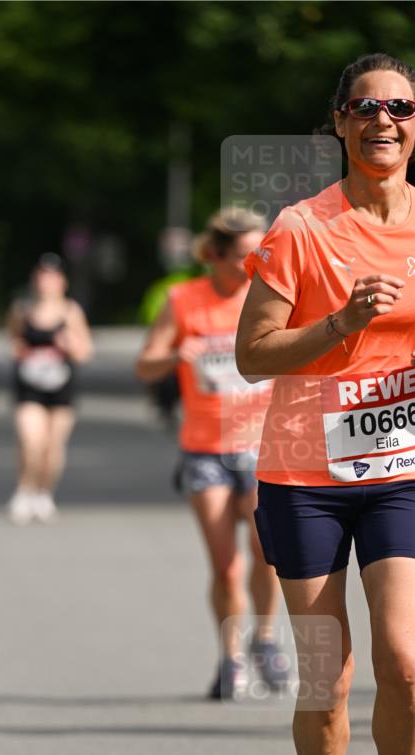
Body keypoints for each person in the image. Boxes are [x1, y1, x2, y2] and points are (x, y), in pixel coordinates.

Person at [236, 53, 415, 755]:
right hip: (302, 476)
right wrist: (341, 322)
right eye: (364, 107)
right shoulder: (301, 228)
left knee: (407, 662)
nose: (383, 120)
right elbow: (252, 355)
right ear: (339, 125)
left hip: (400, 475)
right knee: (326, 679)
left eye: (400, 106)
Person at [136, 209, 283, 700]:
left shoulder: (271, 296)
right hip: (206, 450)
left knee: (267, 553)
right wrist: (176, 355)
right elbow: (145, 365)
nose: (256, 263)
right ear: (216, 256)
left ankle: (264, 640)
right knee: (225, 567)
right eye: (246, 256)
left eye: (261, 253)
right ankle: (231, 656)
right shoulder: (183, 301)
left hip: (263, 444)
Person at [6, 253, 93, 524]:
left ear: (62, 282)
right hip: (29, 385)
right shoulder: (22, 310)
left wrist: (69, 345)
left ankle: (44, 492)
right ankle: (24, 489)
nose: (46, 282)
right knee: (32, 440)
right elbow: (13, 342)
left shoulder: (71, 311)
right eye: (42, 276)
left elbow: (85, 351)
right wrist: (20, 351)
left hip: (61, 387)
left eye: (52, 276)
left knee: (53, 446)